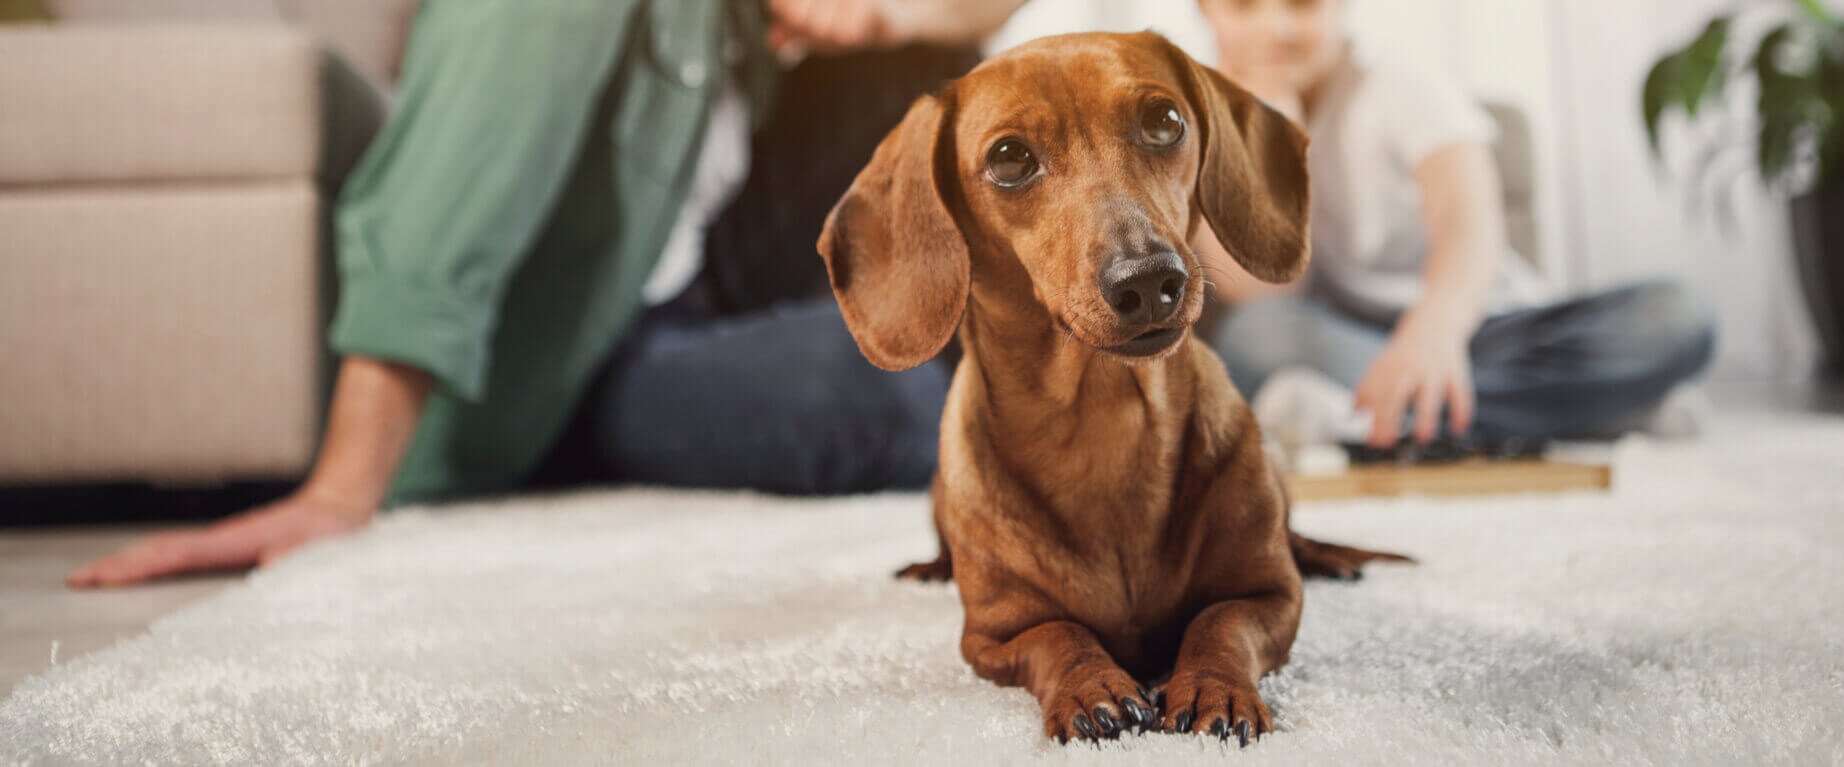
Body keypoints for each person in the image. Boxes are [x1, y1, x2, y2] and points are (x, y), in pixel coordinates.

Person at [67, 0, 1025, 589]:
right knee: (895, 397)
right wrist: (341, 489)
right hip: (580, 353)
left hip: (694, 262)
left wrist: (879, 13)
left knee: (918, 90)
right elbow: (437, 211)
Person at [1193, 0, 1715, 453]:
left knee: (1679, 315)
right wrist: (1268, 137)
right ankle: (1591, 414)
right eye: (1244, 6)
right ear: (1207, 11)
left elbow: (1469, 222)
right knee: (1253, 339)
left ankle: (1366, 419)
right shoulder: (1195, 125)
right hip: (1359, 345)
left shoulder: (1397, 82)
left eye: (1301, 4)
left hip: (1485, 327)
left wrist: (1433, 331)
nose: (1276, 28)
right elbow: (1268, 290)